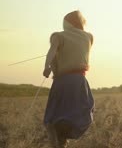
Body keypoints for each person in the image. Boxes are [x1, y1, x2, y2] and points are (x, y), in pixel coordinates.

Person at [42, 11, 95, 148]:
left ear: (66, 23)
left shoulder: (57, 36)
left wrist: (47, 66)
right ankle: (62, 140)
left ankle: (58, 139)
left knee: (57, 114)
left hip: (62, 82)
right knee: (81, 113)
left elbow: (52, 52)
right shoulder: (89, 37)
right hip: (79, 82)